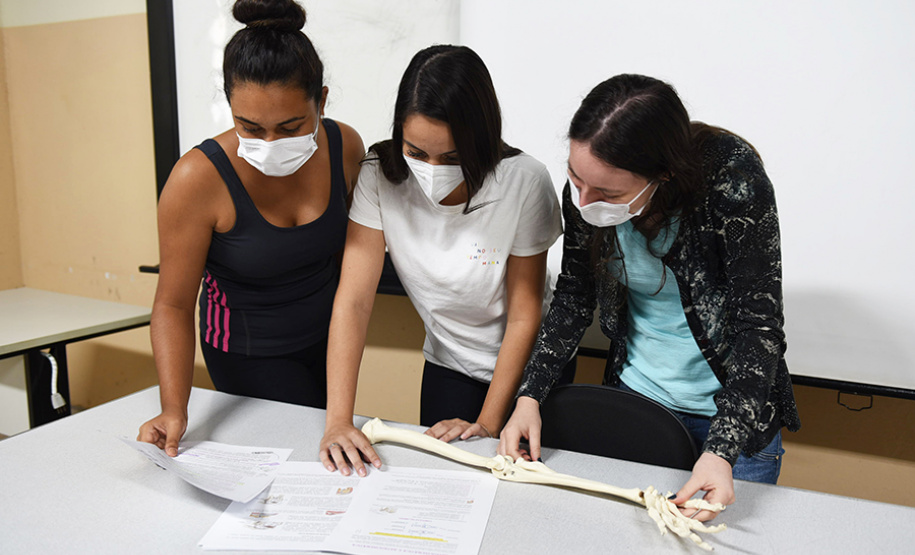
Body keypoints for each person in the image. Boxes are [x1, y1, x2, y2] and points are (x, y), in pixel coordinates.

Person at [499, 74, 800, 520]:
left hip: (732, 421)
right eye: (575, 179)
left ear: (665, 174)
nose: (586, 201)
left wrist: (721, 449)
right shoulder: (588, 190)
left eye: (608, 193)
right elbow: (574, 298)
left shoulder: (732, 181)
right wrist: (530, 396)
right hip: (638, 403)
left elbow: (759, 327)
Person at [319, 45, 565, 476]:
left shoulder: (523, 181)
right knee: (440, 487)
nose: (432, 169)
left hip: (528, 375)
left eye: (451, 158)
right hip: (447, 364)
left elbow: (524, 316)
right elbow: (354, 302)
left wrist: (488, 425)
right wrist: (338, 421)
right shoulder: (378, 174)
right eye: (416, 153)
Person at [138, 0, 363, 456]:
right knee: (295, 461)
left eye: (290, 127)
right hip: (246, 352)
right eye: (251, 127)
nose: (270, 143)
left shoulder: (345, 147)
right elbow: (173, 305)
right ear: (230, 107)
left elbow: (351, 261)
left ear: (321, 101)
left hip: (326, 343)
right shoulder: (197, 179)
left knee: (330, 453)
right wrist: (174, 408)